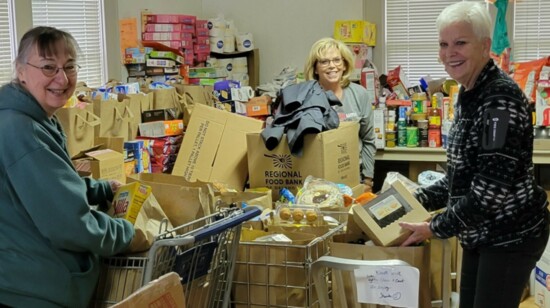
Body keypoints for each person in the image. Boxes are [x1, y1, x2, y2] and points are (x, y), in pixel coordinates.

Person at [398, 3, 549, 308]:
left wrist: (435, 227)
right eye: (443, 44)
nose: (449, 52)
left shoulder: (499, 99)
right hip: (480, 232)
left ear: (485, 46)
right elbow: (461, 177)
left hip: (511, 235)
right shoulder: (470, 91)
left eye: (460, 43)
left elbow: (489, 193)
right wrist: (413, 199)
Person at [0, 26, 135, 307]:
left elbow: (42, 189)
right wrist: (128, 233)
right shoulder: (21, 129)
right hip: (31, 291)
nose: (62, 78)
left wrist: (99, 189)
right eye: (49, 67)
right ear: (21, 71)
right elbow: (70, 225)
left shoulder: (36, 118)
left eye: (69, 67)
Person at [303, 37, 377, 192]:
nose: (332, 66)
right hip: (316, 180)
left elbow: (368, 140)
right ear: (315, 68)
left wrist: (368, 181)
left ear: (344, 64)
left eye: (337, 60)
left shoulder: (360, 95)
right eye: (324, 62)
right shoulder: (305, 98)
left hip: (352, 176)